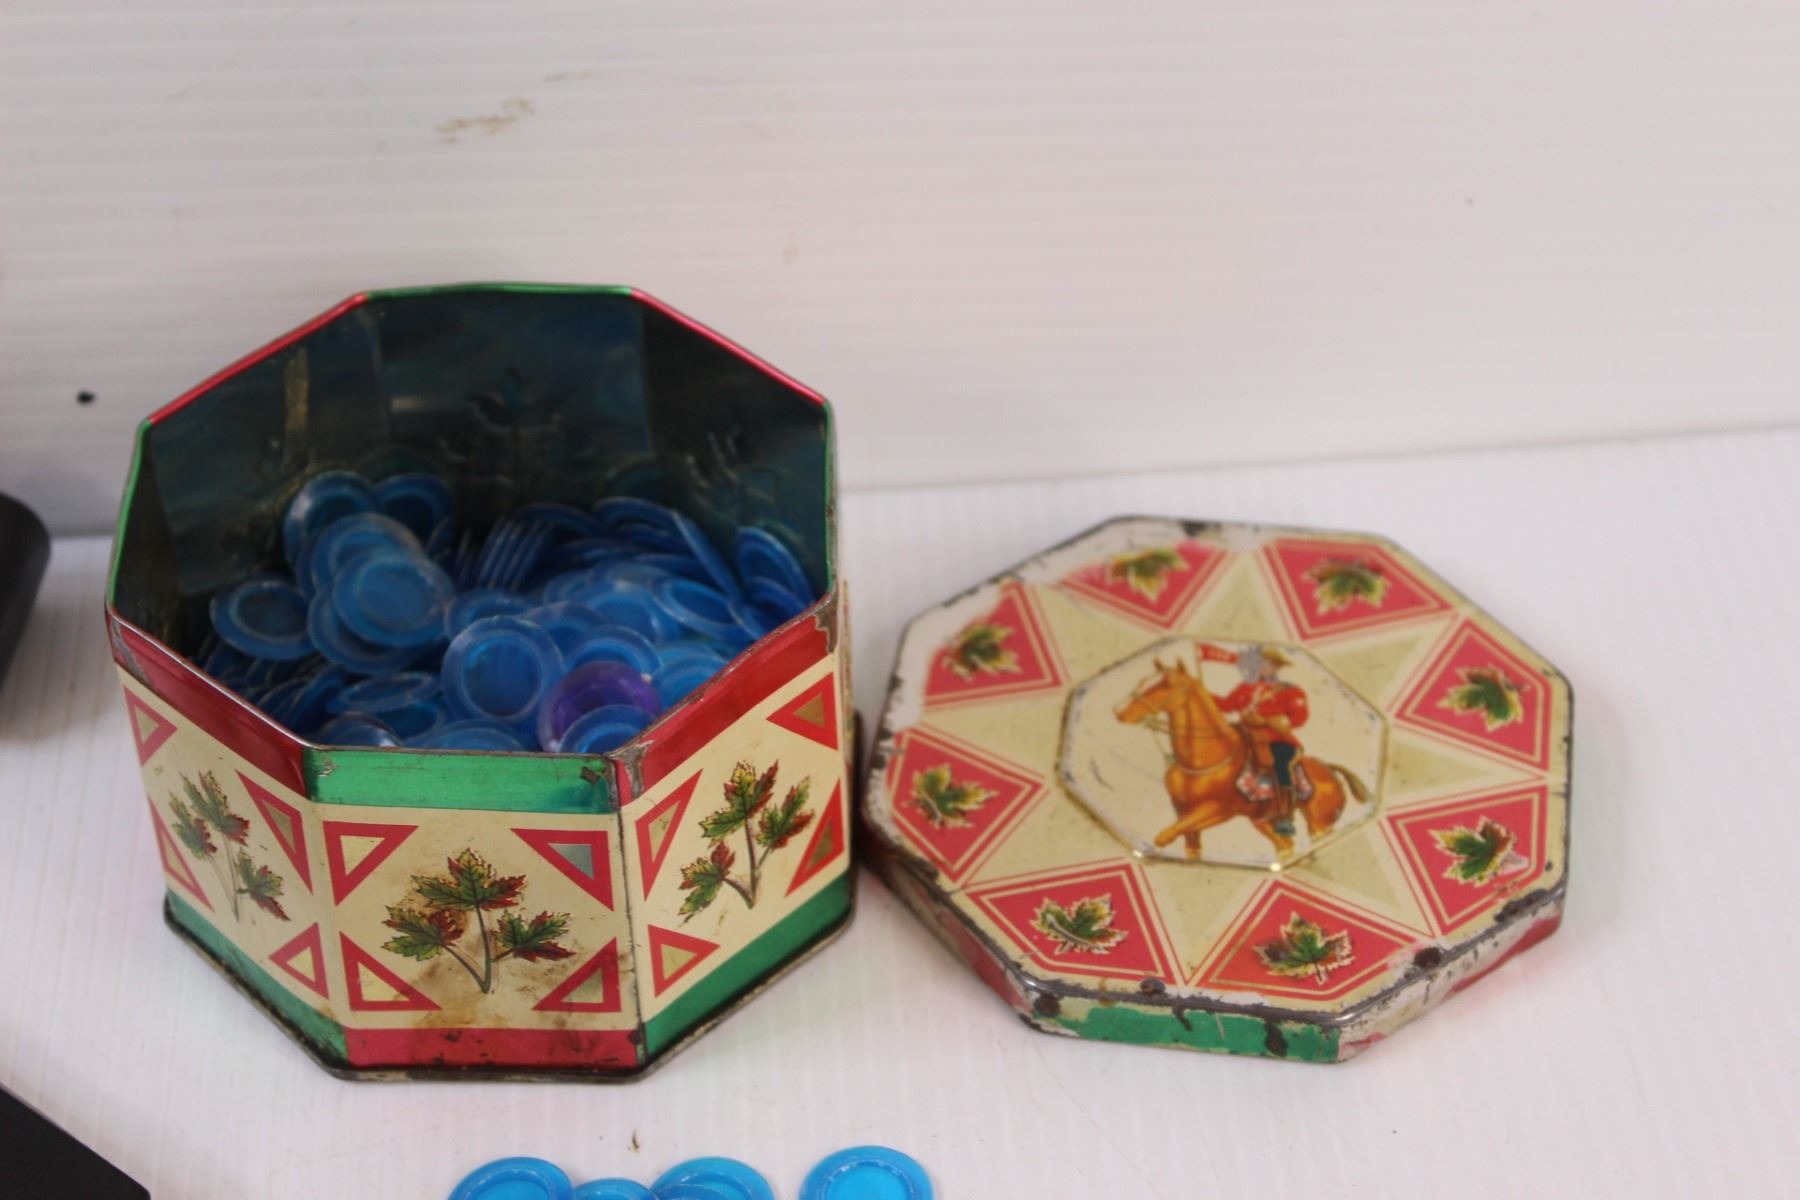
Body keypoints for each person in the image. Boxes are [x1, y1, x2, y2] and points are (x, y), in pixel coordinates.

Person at [1216, 646, 1309, 813]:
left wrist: (1267, 721)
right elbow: (1227, 705)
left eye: (1270, 664)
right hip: (1246, 735)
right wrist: (1200, 693)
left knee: (1279, 763)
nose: (1264, 667)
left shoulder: (1290, 690)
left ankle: (1285, 811)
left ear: (1277, 667)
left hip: (1276, 739)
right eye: (1261, 662)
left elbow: (1299, 717)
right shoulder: (1245, 688)